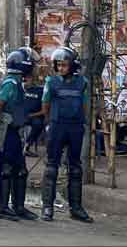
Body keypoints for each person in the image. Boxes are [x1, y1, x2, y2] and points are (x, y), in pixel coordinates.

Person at [40, 46, 93, 223]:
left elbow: (85, 105)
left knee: (76, 168)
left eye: (64, 65)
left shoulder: (82, 82)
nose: (61, 68)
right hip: (57, 127)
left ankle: (76, 208)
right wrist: (49, 124)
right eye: (58, 65)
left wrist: (83, 122)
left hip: (75, 127)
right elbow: (45, 105)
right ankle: (47, 206)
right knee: (51, 167)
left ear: (73, 65)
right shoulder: (51, 82)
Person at [0, 47, 40, 221]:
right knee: (6, 169)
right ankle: (2, 208)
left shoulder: (17, 83)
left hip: (14, 131)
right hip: (6, 132)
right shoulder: (11, 83)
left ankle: (18, 207)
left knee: (21, 170)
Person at [23, 75, 46, 157]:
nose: (25, 80)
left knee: (38, 124)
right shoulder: (20, 89)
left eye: (28, 78)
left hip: (35, 116)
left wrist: (32, 115)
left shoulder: (40, 91)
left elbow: (44, 110)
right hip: (22, 115)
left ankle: (27, 145)